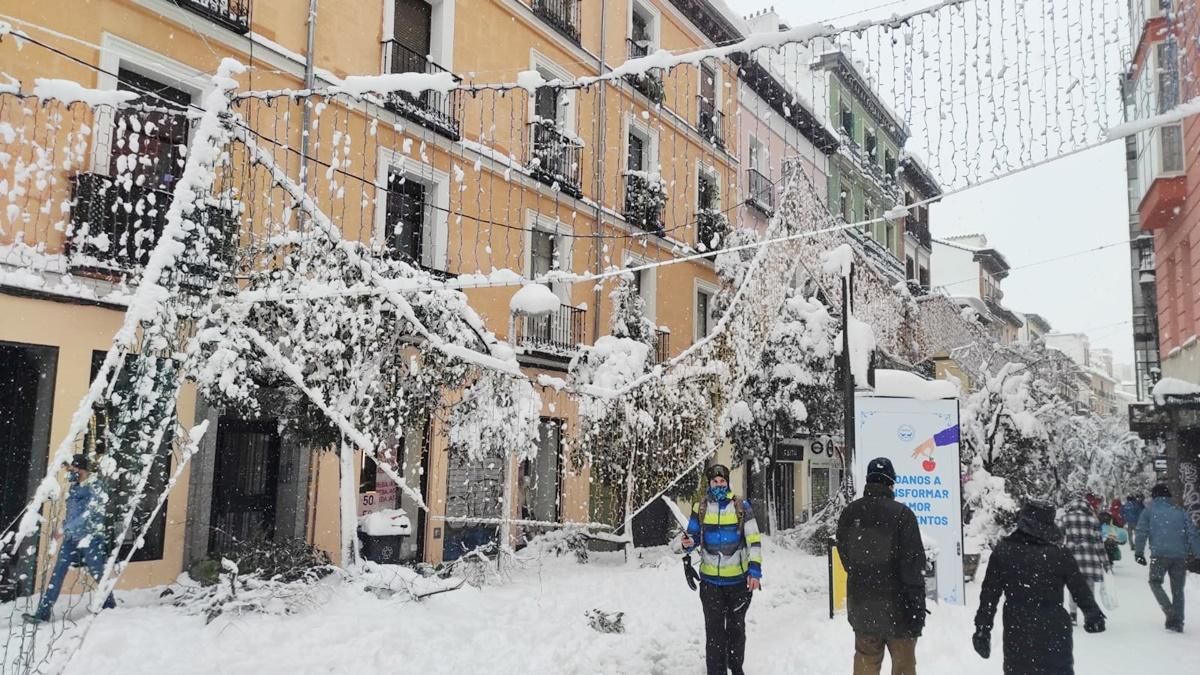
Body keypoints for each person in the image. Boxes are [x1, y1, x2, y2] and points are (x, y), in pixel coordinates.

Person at [972, 501, 1105, 675]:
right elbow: (1079, 587)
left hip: (1018, 629)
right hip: (1055, 630)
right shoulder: (1059, 553)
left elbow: (989, 593)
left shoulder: (1004, 551)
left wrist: (982, 629)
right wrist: (1093, 614)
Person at [836, 457, 926, 675]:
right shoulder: (903, 515)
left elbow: (846, 556)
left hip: (863, 608)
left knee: (866, 665)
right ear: (891, 483)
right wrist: (917, 611)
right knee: (904, 667)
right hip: (900, 611)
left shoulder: (849, 514)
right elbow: (913, 567)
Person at [680, 464, 762, 675]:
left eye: (722, 481)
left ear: (727, 482)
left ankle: (736, 669)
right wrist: (688, 542)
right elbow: (694, 536)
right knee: (714, 633)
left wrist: (755, 572)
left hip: (737, 582)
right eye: (715, 482)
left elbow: (753, 540)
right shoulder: (701, 507)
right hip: (710, 584)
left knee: (736, 629)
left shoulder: (741, 506)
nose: (719, 485)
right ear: (709, 483)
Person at [22, 455, 116, 624]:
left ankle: (109, 607)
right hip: (71, 539)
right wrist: (64, 528)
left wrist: (64, 529)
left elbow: (88, 515)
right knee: (58, 573)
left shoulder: (95, 486)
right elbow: (72, 512)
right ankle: (42, 614)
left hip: (91, 537)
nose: (71, 474)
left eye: (73, 470)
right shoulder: (74, 488)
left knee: (98, 573)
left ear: (82, 469)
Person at [1133, 483, 1200, 632]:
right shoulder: (1180, 512)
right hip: (1179, 557)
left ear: (1154, 496)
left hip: (1159, 555)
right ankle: (1178, 622)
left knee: (1155, 582)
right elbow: (1192, 533)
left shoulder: (1148, 512)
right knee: (1178, 590)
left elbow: (1141, 532)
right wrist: (1198, 553)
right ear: (1169, 496)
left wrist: (1139, 552)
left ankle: (1170, 613)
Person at [1058, 495, 1110, 624]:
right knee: (1089, 587)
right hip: (1089, 560)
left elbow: (1057, 538)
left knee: (1073, 587)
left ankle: (1073, 614)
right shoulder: (1093, 520)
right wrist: (1105, 562)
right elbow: (1099, 543)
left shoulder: (1065, 518)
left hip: (1071, 558)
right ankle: (1090, 614)